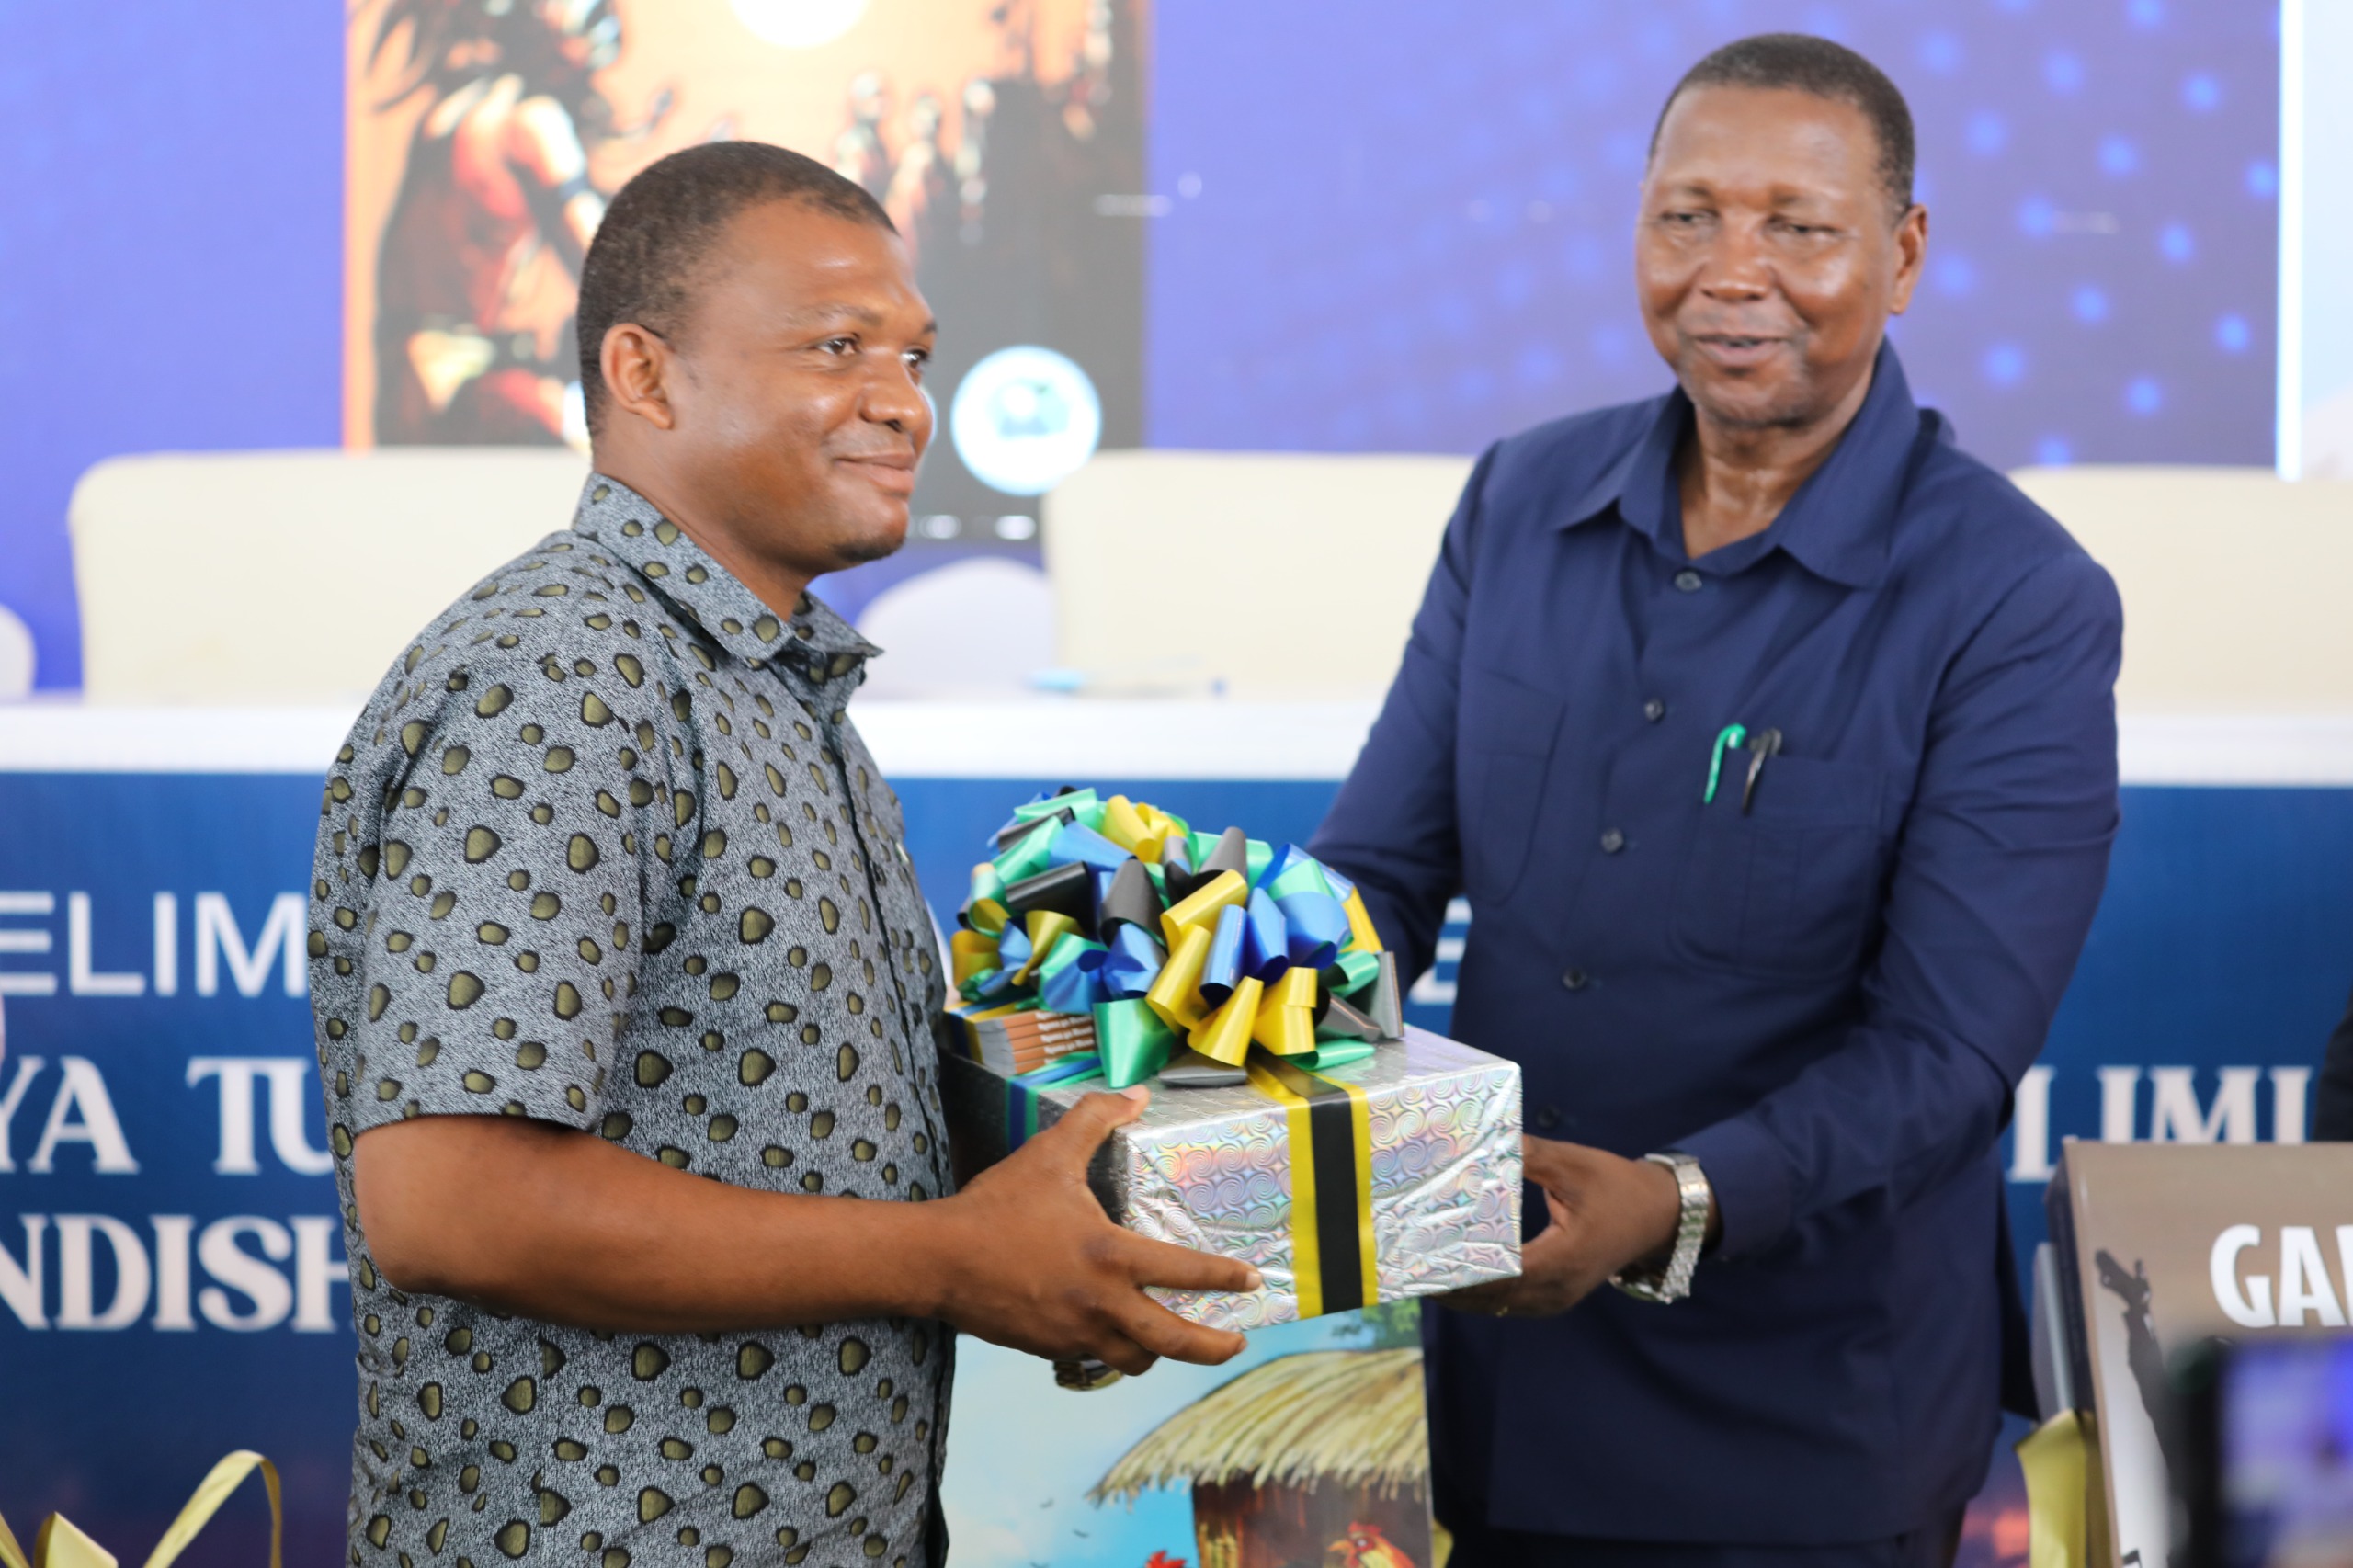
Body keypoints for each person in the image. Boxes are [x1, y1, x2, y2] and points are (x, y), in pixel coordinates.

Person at [309, 142, 1256, 1568]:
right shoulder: (564, 671)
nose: (902, 400)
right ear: (644, 374)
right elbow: (455, 1201)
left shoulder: (770, 681)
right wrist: (952, 1257)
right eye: (835, 347)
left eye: (914, 357)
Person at [1310, 34, 2121, 1568]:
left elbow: (1947, 1053)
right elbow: (1381, 870)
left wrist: (1673, 1200)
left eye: (1798, 227)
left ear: (1904, 254)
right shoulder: (1518, 500)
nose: (1732, 272)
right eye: (1687, 217)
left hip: (1811, 1429)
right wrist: (1222, 998)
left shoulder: (2016, 598)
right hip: (1511, 1370)